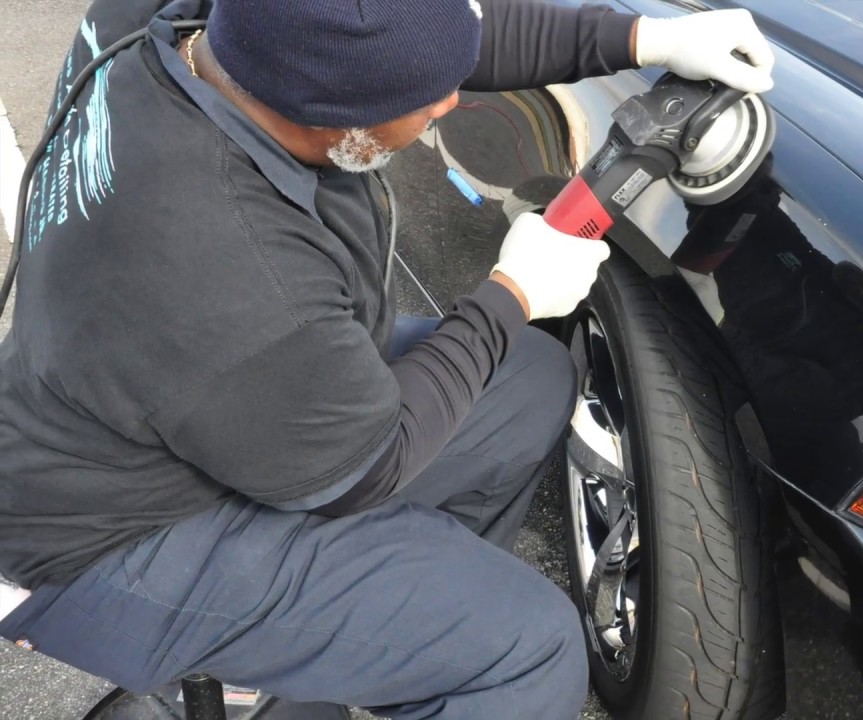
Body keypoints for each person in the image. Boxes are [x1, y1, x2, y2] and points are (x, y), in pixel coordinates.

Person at [0, 0, 774, 717]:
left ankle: (353, 646)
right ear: (337, 126)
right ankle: (334, 654)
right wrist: (511, 293)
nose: (450, 104)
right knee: (524, 648)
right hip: (99, 539)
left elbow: (423, 39)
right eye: (429, 101)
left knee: (527, 379)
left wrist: (643, 38)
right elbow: (370, 461)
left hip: (186, 395)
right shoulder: (232, 262)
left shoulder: (217, 25)